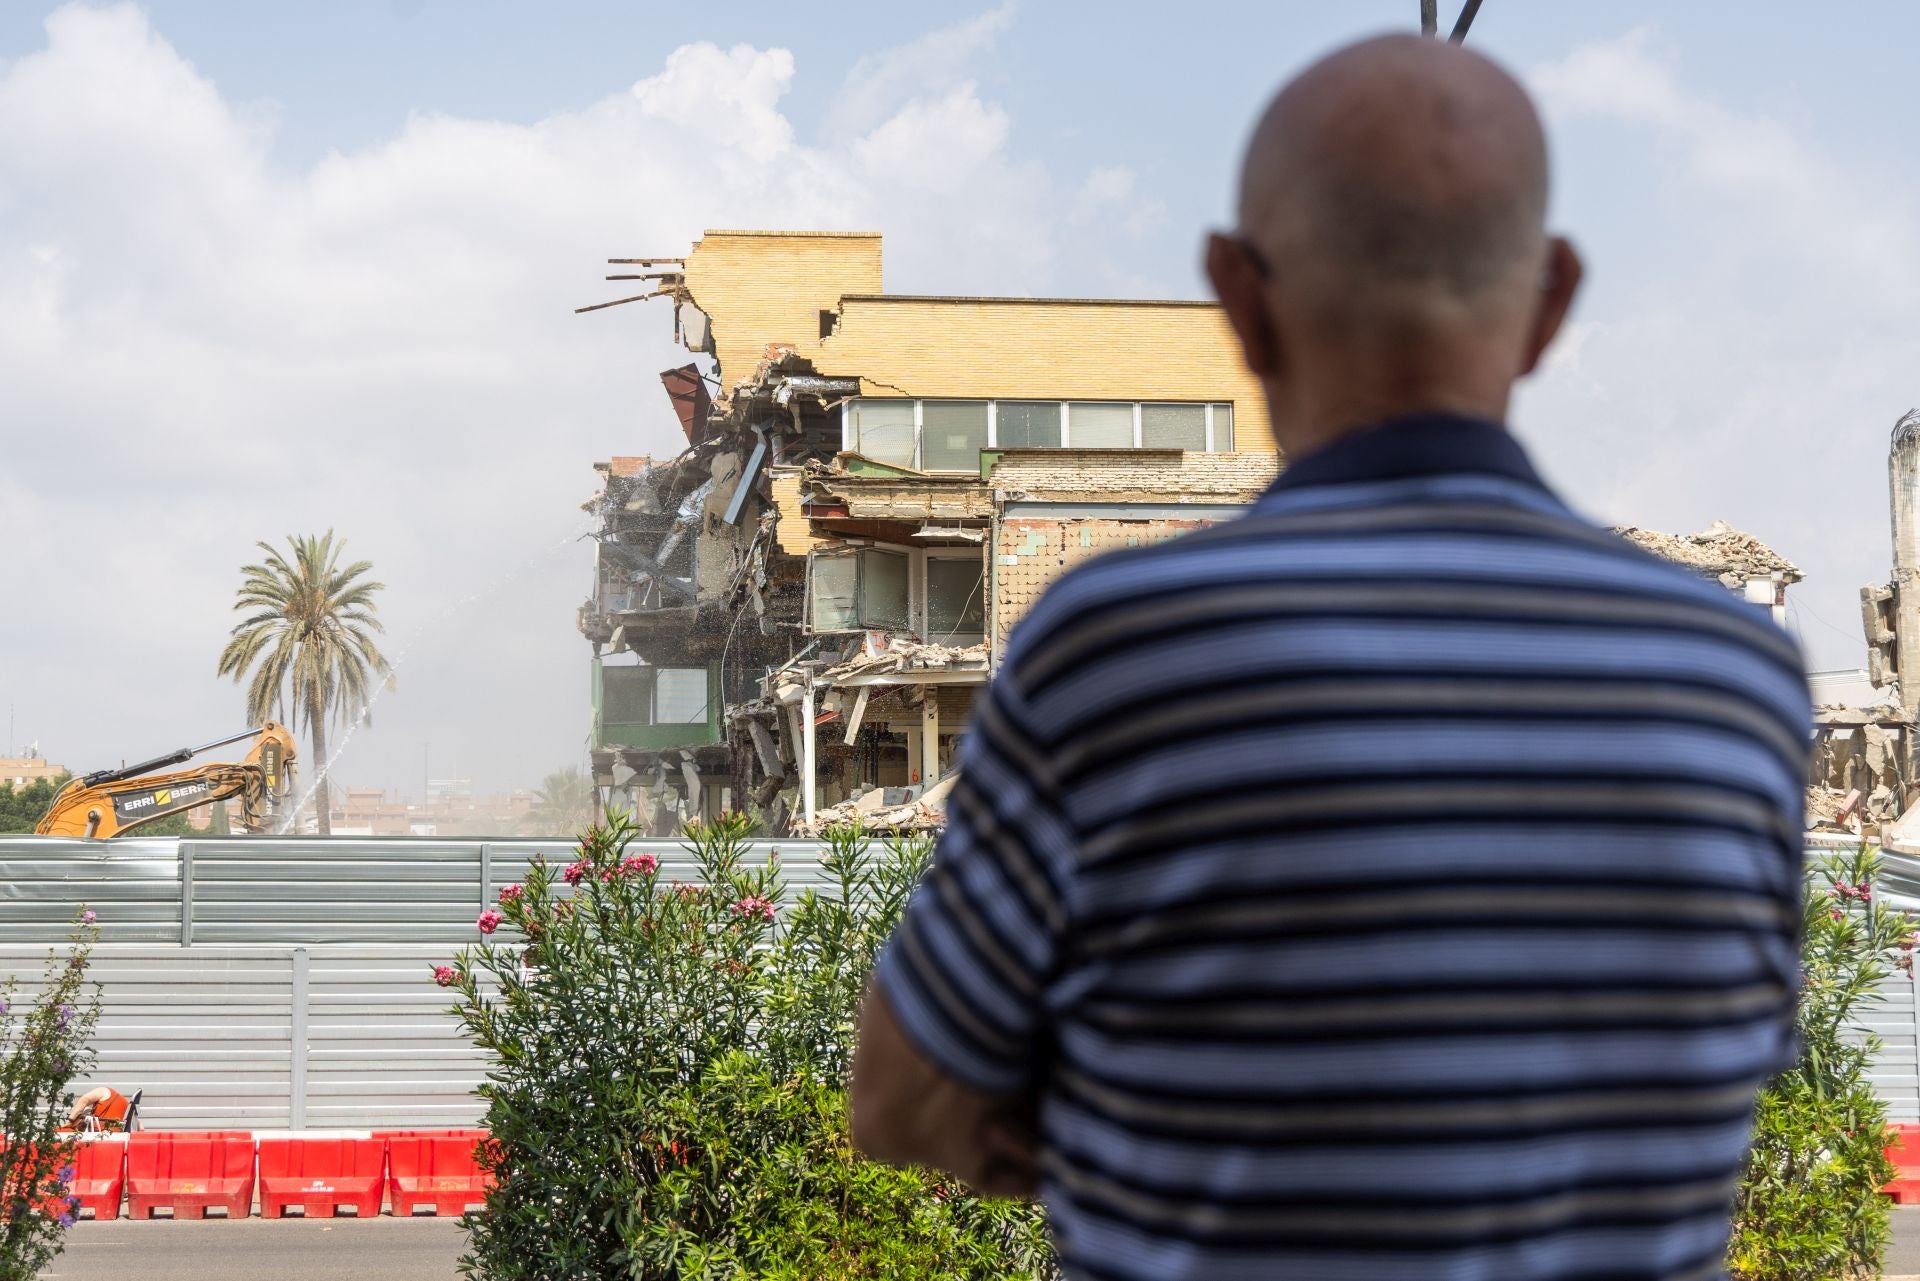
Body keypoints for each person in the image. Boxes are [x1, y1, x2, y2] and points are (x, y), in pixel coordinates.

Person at [850, 31, 1809, 1281]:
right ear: (1553, 298)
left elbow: (903, 1100)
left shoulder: (1117, 651)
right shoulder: (1738, 681)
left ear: (1236, 294)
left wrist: (1138, 1136)